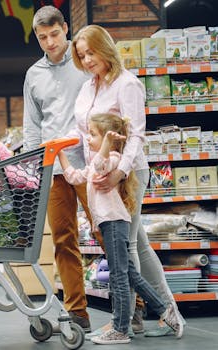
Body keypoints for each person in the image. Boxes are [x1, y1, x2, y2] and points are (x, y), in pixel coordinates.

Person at [70, 24, 185, 336]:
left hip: (127, 173)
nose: (87, 60)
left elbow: (135, 135)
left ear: (105, 48)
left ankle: (130, 318)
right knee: (140, 247)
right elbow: (83, 134)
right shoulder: (87, 88)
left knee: (126, 247)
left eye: (91, 52)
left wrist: (119, 174)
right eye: (82, 56)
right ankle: (168, 311)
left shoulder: (127, 84)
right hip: (102, 173)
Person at [57, 113, 183, 344]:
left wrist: (105, 145)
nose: (88, 138)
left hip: (115, 223)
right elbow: (75, 177)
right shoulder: (96, 162)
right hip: (108, 224)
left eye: (93, 134)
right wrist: (60, 154)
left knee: (119, 276)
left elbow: (100, 164)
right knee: (131, 274)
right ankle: (166, 310)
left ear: (108, 139)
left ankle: (120, 329)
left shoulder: (114, 158)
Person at [22, 5, 93, 331]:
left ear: (65, 28)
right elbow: (32, 127)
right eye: (42, 37)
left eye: (54, 34)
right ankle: (77, 313)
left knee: (108, 235)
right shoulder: (34, 75)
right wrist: (34, 171)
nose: (49, 42)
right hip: (54, 169)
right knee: (64, 240)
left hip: (92, 164)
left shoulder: (84, 63)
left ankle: (129, 304)